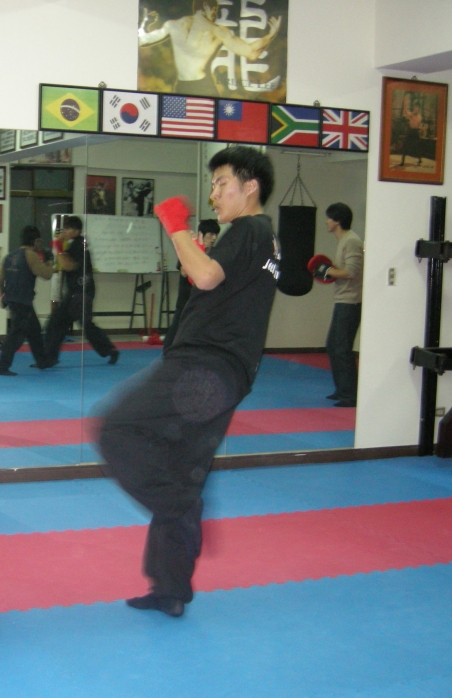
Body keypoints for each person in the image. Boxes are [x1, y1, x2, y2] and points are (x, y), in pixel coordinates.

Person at [99, 146, 280, 618]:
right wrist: (194, 254)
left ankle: (181, 507)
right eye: (213, 184)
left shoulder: (249, 229)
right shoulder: (265, 239)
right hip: (227, 372)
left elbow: (206, 277)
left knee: (116, 428)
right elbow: (213, 282)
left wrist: (175, 226)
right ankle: (171, 588)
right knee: (180, 467)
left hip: (205, 367)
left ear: (250, 187)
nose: (214, 193)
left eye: (222, 183)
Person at [138, 1, 281, 94]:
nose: (215, 13)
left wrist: (144, 25)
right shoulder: (217, 31)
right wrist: (271, 34)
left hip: (182, 85)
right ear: (207, 7)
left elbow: (142, 40)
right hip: (202, 87)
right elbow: (251, 53)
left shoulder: (173, 25)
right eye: (214, 9)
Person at [42, 215, 120, 367]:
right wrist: (61, 246)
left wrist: (58, 248)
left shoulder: (79, 245)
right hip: (76, 292)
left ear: (76, 231)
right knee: (58, 323)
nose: (64, 231)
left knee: (80, 324)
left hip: (81, 293)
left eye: (68, 228)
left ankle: (110, 350)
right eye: (64, 228)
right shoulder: (75, 244)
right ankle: (49, 358)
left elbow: (68, 265)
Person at [0, 225, 55, 375]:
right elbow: (46, 275)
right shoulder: (31, 255)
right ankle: (1, 366)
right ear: (35, 240)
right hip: (23, 301)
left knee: (34, 330)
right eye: (38, 241)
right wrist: (50, 262)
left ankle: (43, 361)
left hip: (14, 299)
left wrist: (2, 295)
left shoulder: (9, 257)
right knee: (16, 336)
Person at [321, 202, 364, 408]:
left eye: (329, 218)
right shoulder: (344, 241)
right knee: (333, 345)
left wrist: (329, 271)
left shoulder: (352, 241)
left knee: (341, 348)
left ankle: (350, 395)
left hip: (351, 302)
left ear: (337, 221)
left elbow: (351, 272)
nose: (326, 222)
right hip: (343, 300)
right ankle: (342, 390)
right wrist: (329, 272)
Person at [164, 219, 220, 350]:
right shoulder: (190, 249)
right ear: (201, 234)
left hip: (205, 301)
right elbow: (185, 272)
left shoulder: (216, 254)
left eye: (216, 235)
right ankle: (167, 352)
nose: (214, 238)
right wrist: (200, 253)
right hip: (186, 299)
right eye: (210, 234)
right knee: (176, 329)